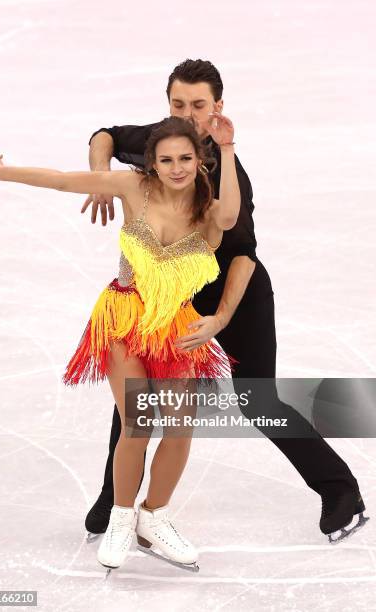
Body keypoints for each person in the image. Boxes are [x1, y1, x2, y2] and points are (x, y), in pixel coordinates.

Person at [82, 58, 368, 545]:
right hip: (172, 298)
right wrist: (100, 177)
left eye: (198, 106)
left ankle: (341, 491)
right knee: (138, 395)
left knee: (257, 398)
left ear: (218, 108)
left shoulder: (234, 177)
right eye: (178, 104)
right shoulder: (162, 142)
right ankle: (117, 502)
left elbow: (243, 259)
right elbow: (104, 134)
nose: (188, 116)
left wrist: (219, 319)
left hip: (233, 294)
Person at [0, 112, 240, 572]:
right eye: (166, 159)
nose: (177, 167)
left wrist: (226, 148)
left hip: (175, 326)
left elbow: (230, 215)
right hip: (123, 317)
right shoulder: (132, 187)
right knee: (137, 422)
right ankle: (122, 517)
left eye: (185, 157)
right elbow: (63, 181)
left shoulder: (207, 208)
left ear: (199, 159)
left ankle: (154, 517)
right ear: (152, 163)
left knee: (180, 427)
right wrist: (5, 172)